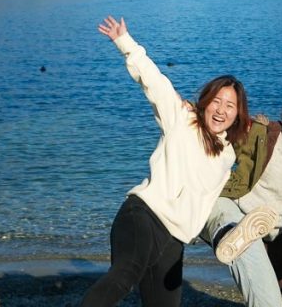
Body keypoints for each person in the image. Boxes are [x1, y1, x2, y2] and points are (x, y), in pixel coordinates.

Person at [81, 16, 251, 307]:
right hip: (144, 217)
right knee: (124, 276)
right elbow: (154, 82)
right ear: (205, 101)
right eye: (217, 101)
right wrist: (125, 42)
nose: (221, 110)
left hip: (174, 240)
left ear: (238, 113)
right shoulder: (182, 119)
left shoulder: (229, 154)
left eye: (230, 105)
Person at [202, 88, 282, 307]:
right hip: (238, 211)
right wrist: (191, 110)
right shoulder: (266, 135)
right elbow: (221, 125)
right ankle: (229, 233)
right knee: (228, 224)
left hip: (278, 233)